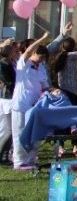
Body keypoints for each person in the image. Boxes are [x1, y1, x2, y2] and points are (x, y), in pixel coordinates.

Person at [11, 32, 50, 170]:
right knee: (19, 134)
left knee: (35, 133)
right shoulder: (23, 63)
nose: (42, 59)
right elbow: (27, 51)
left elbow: (45, 85)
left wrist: (51, 92)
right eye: (40, 55)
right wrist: (42, 39)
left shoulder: (41, 68)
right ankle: (19, 162)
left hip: (35, 106)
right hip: (21, 104)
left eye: (44, 57)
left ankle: (31, 159)